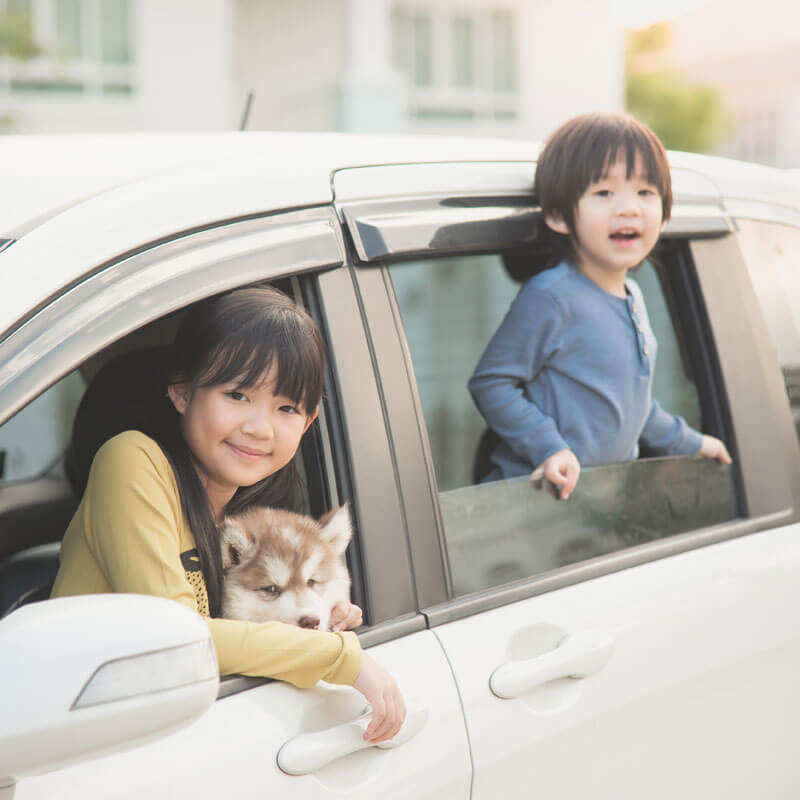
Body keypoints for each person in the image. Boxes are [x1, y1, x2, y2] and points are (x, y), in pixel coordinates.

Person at [52, 286, 405, 743]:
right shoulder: (132, 462)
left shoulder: (243, 519)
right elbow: (179, 640)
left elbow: (225, 632)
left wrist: (313, 616)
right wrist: (340, 657)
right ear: (182, 392)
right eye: (238, 395)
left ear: (308, 422)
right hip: (72, 745)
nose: (259, 427)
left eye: (286, 408)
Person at [468, 112, 731, 500]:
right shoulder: (552, 296)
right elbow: (491, 383)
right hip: (531, 503)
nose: (629, 208)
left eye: (645, 192)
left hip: (594, 509)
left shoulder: (633, 295)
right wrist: (550, 447)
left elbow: (631, 406)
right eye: (604, 193)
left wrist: (693, 443)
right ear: (558, 216)